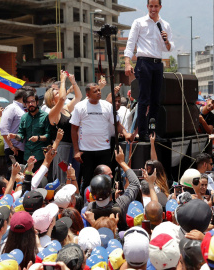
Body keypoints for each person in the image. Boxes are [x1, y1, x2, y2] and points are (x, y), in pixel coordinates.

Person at [124, 0, 174, 140]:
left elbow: (168, 49)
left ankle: (152, 132)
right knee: (144, 99)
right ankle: (143, 133)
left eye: (156, 6)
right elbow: (130, 43)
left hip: (158, 64)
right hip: (143, 62)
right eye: (151, 6)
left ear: (160, 7)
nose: (153, 9)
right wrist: (127, 62)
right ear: (147, 7)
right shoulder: (139, 22)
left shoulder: (165, 25)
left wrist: (167, 41)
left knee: (156, 101)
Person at [70, 83, 131, 193]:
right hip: (86, 152)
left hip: (104, 150)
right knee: (88, 181)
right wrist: (76, 151)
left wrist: (126, 134)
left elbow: (117, 124)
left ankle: (107, 203)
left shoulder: (107, 106)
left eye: (99, 90)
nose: (99, 92)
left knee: (106, 180)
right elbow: (74, 129)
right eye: (95, 91)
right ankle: (86, 203)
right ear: (87, 94)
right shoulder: (79, 107)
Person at [46, 71, 82, 184]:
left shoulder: (65, 109)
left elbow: (78, 97)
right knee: (63, 176)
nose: (62, 94)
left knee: (74, 175)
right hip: (62, 148)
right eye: (57, 93)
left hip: (72, 146)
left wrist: (73, 82)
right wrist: (62, 80)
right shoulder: (53, 113)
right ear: (52, 100)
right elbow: (62, 99)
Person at [8, 92, 51, 172]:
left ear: (37, 102)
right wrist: (15, 136)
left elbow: (48, 135)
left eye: (32, 101)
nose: (30, 104)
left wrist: (38, 138)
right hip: (27, 155)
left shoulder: (45, 116)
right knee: (27, 179)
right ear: (25, 104)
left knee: (41, 181)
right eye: (28, 102)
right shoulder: (24, 117)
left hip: (40, 156)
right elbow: (21, 135)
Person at [0, 88, 27, 165]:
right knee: (13, 174)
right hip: (14, 150)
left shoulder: (21, 108)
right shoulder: (11, 108)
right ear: (23, 98)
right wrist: (11, 147)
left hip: (21, 149)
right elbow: (3, 128)